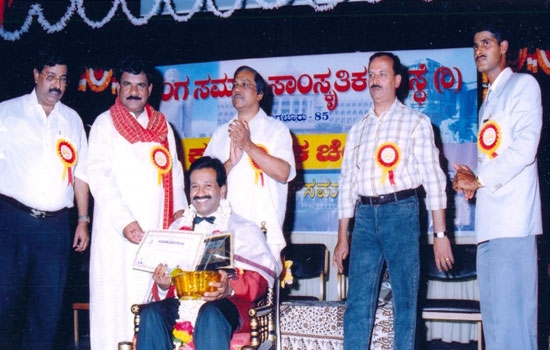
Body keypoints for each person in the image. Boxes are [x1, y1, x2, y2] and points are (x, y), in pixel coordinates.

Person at [333, 52, 454, 350]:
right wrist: (341, 237)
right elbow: (347, 182)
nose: (374, 80)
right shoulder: (357, 128)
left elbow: (435, 180)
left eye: (382, 74)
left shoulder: (416, 122)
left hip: (402, 212)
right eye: (371, 74)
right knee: (357, 302)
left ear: (397, 81)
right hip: (363, 218)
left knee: (405, 301)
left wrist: (440, 235)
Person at [86, 55, 187, 349]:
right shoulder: (106, 124)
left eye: (140, 85)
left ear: (150, 89)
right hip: (118, 232)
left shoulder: (161, 124)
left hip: (157, 227)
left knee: (150, 301)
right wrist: (125, 221)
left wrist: (179, 212)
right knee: (115, 306)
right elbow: (98, 175)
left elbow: (175, 170)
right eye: (127, 84)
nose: (133, 91)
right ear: (117, 87)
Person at [452, 22, 542, 350]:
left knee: (514, 324)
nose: (479, 50)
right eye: (475, 44)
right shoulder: (488, 102)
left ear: (503, 48)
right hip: (489, 226)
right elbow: (497, 160)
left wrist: (481, 178)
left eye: (486, 43)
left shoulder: (523, 85)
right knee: (495, 324)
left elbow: (524, 149)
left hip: (514, 223)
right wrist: (474, 181)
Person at [136, 156, 279, 350]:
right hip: (183, 303)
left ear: (222, 190)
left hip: (229, 304)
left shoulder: (244, 229)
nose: (200, 193)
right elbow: (170, 281)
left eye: (207, 186)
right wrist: (163, 285)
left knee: (210, 312)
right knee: (151, 313)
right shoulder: (177, 228)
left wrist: (229, 287)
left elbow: (259, 282)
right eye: (194, 186)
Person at [0, 48, 90, 349]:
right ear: (37, 76)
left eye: (63, 79)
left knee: (47, 311)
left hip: (55, 229)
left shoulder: (73, 120)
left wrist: (82, 220)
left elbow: (81, 175)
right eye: (50, 77)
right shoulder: (7, 112)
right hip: (11, 222)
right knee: (4, 304)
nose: (57, 85)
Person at [203, 65, 296, 270]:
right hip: (222, 231)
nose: (237, 89)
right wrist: (228, 164)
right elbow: (204, 183)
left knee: (259, 296)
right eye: (235, 84)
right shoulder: (220, 133)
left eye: (245, 84)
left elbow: (283, 173)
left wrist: (248, 145)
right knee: (219, 297)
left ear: (260, 94)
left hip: (261, 229)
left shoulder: (276, 130)